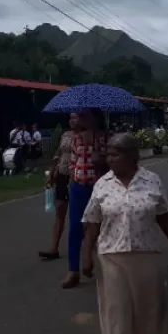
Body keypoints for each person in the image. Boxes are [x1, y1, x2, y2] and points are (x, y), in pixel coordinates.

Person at [81, 133, 168, 334]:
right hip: (112, 256)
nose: (109, 159)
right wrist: (86, 255)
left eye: (115, 154)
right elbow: (92, 222)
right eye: (108, 155)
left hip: (146, 255)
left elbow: (165, 217)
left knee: (144, 311)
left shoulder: (152, 181)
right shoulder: (102, 184)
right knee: (117, 311)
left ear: (132, 156)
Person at [63, 108, 108, 289]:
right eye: (79, 116)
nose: (80, 119)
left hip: (100, 188)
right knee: (75, 228)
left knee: (101, 228)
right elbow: (73, 164)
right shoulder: (77, 139)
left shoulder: (106, 137)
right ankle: (73, 270)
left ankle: (104, 267)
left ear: (94, 117)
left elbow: (111, 164)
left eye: (84, 115)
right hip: (78, 187)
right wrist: (71, 185)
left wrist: (99, 156)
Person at [39, 113, 79, 261]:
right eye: (71, 117)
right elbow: (58, 153)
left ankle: (87, 243)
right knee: (60, 209)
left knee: (79, 214)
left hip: (78, 177)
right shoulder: (66, 135)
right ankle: (54, 247)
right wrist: (52, 172)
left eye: (76, 117)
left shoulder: (86, 136)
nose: (73, 120)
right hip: (62, 175)